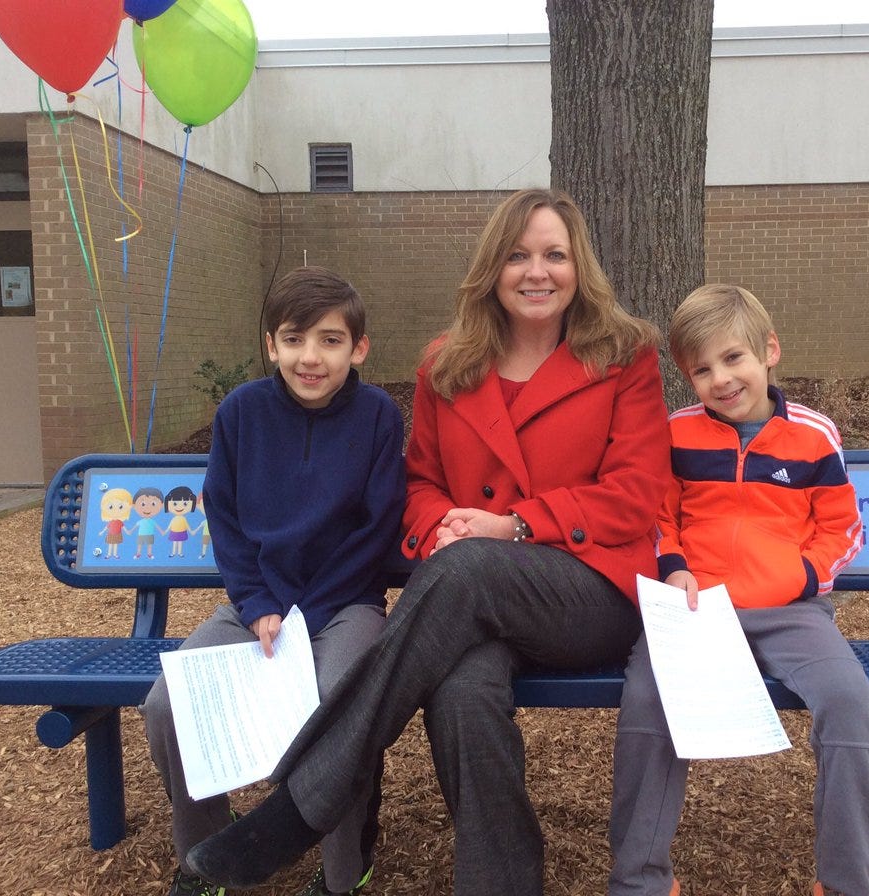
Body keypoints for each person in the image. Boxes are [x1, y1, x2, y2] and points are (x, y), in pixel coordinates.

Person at [185, 188, 672, 895]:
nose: (537, 272)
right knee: (462, 691)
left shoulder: (624, 355)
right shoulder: (449, 363)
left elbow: (635, 496)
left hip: (587, 590)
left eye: (554, 255)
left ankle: (301, 803)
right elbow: (417, 487)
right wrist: (440, 527)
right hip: (471, 599)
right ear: (492, 269)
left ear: (579, 267)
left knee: (470, 568)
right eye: (518, 256)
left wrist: (514, 526)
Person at [607, 284, 869, 896]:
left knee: (851, 708)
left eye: (733, 358)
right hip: (693, 609)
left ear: (769, 352)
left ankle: (847, 881)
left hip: (793, 612)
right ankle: (640, 881)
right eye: (701, 369)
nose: (721, 379)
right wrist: (674, 567)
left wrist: (803, 577)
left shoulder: (814, 436)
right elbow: (659, 515)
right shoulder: (675, 432)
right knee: (648, 708)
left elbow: (842, 529)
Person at [141, 266, 406, 896]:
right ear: (270, 345)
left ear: (359, 347)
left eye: (330, 340)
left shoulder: (377, 417)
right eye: (293, 339)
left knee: (341, 699)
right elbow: (225, 517)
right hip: (255, 603)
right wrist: (260, 603)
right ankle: (204, 853)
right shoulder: (241, 413)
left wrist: (302, 619)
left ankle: (344, 869)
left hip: (346, 605)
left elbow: (376, 527)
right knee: (167, 705)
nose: (309, 357)